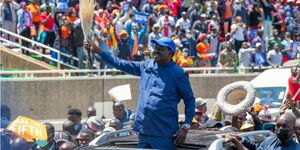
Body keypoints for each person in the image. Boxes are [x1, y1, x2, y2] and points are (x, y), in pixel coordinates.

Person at [84, 37, 195, 149]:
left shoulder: (179, 74)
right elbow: (120, 63)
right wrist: (98, 50)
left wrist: (186, 125)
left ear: (170, 52)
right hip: (143, 132)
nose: (156, 51)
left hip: (164, 134)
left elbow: (190, 100)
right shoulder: (146, 66)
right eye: (156, 47)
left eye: (161, 49)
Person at [225, 113, 300, 150]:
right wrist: (241, 140)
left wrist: (236, 142)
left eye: (284, 126)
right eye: (278, 125)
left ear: (293, 128)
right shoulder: (270, 140)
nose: (280, 128)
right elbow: (256, 147)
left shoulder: (296, 148)